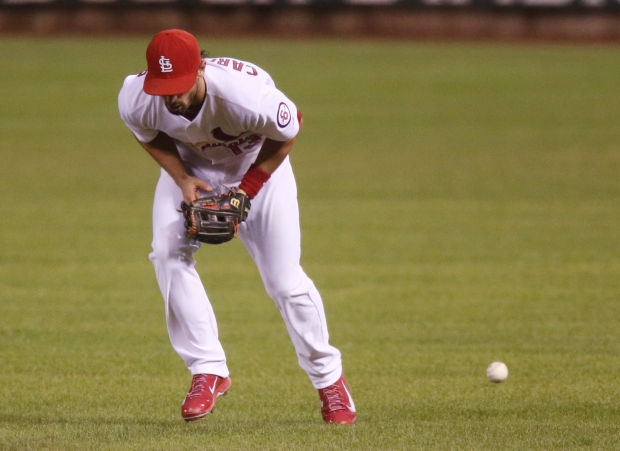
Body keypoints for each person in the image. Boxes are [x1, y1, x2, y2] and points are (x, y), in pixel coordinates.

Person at [118, 29, 356, 425]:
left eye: (178, 86)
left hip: (258, 173)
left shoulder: (243, 95)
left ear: (199, 71)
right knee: (166, 252)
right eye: (163, 89)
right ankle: (207, 369)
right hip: (194, 170)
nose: (171, 98)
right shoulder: (136, 97)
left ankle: (329, 380)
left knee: (284, 282)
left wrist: (245, 192)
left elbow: (290, 129)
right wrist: (181, 178)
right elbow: (146, 133)